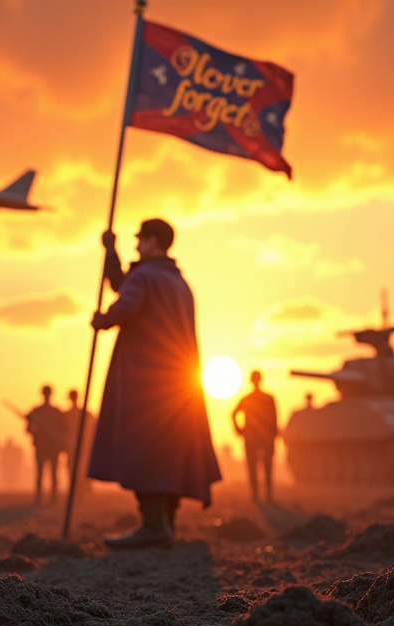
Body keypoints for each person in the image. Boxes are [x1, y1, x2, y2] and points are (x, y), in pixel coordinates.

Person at [88, 218, 222, 548]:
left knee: (143, 451)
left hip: (145, 381)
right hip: (177, 383)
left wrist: (102, 320)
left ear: (152, 241)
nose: (137, 245)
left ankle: (153, 527)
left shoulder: (146, 276)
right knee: (170, 454)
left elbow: (127, 303)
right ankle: (166, 526)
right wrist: (110, 253)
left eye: (140, 240)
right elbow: (125, 284)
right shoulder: (179, 282)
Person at [232, 370, 279, 502]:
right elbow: (274, 418)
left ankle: (257, 494)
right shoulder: (268, 398)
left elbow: (233, 414)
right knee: (266, 466)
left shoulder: (247, 399)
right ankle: (266, 495)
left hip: (253, 437)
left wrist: (239, 430)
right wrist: (273, 434)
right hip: (263, 437)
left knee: (254, 466)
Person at [25, 385, 66, 503]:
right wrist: (35, 428)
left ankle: (53, 497)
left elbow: (63, 430)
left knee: (53, 472)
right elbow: (29, 430)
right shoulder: (36, 412)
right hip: (41, 445)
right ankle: (39, 497)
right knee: (40, 473)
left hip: (53, 446)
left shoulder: (56, 412)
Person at [64, 388, 97, 500]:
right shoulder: (67, 415)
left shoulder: (85, 414)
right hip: (71, 446)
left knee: (82, 469)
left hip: (83, 446)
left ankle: (82, 491)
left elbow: (91, 430)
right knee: (73, 469)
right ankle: (76, 492)